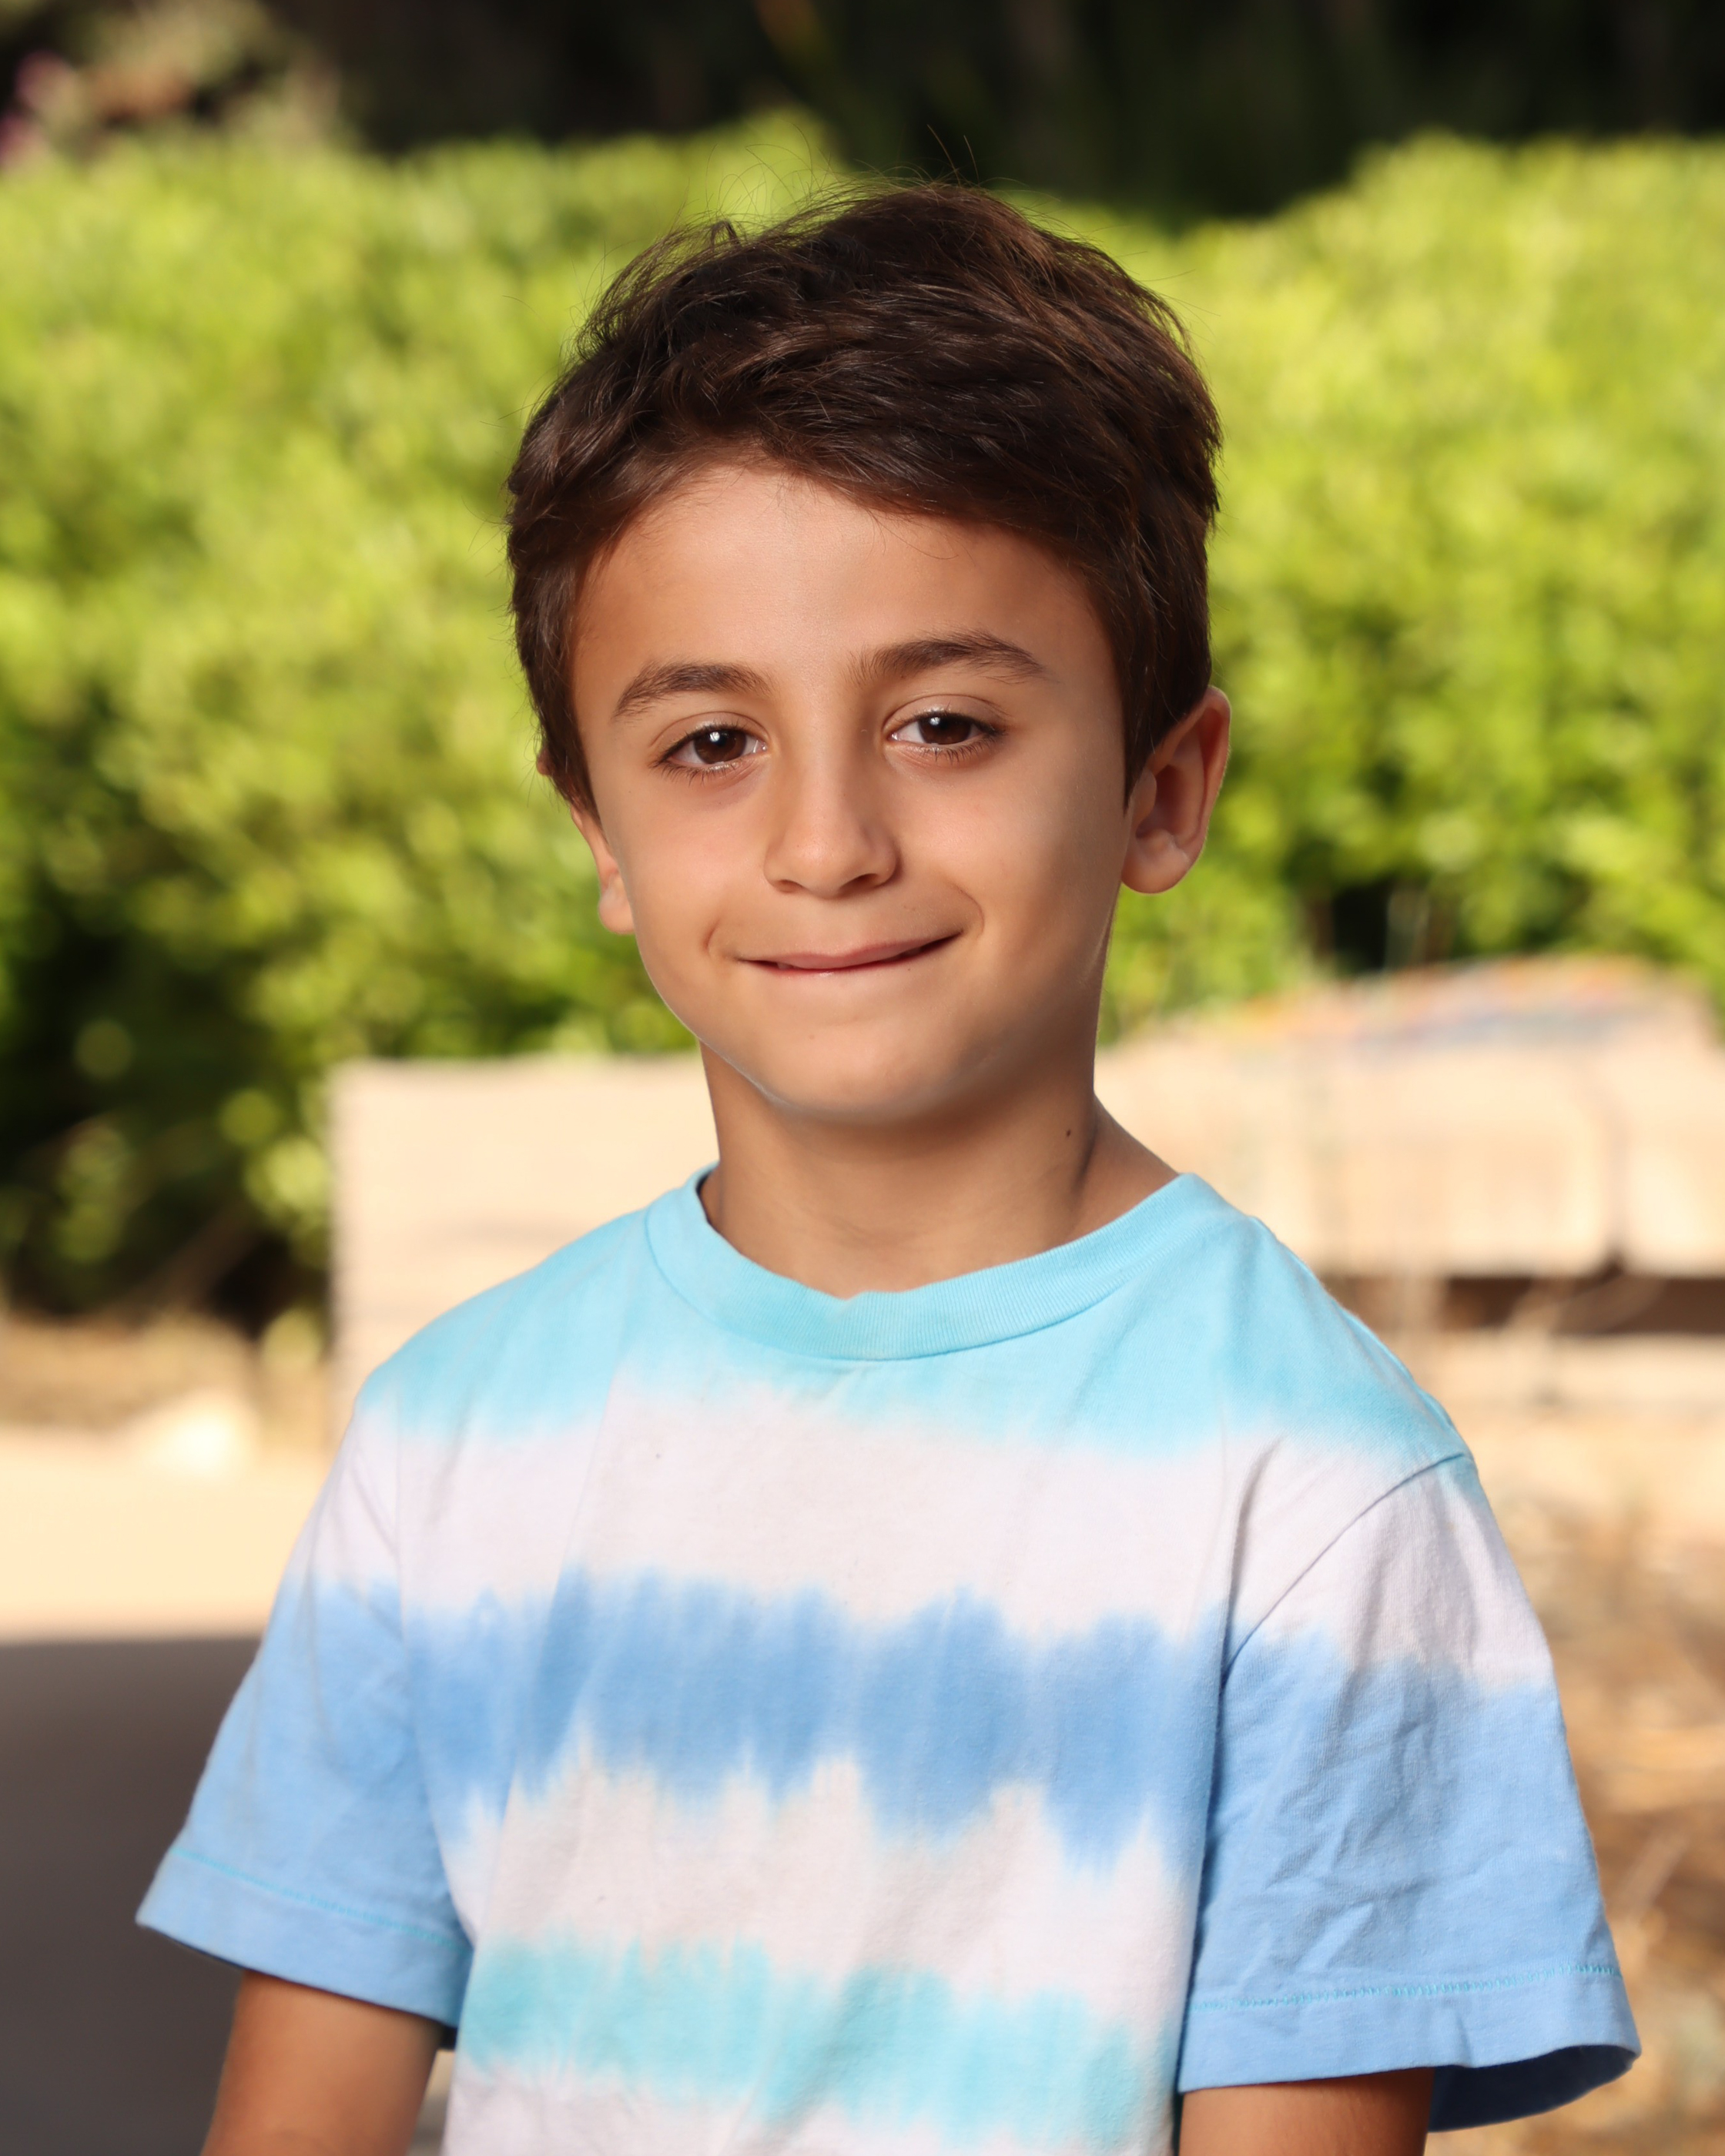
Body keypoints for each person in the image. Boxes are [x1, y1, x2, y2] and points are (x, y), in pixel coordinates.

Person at [141, 183, 1636, 2156]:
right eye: (709, 745)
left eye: (943, 723)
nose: (826, 842)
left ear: (1161, 789)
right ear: (595, 830)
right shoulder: (455, 1445)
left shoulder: (1312, 1491)